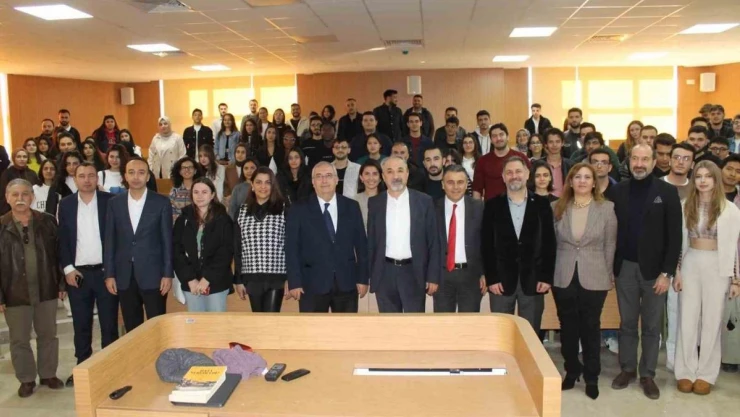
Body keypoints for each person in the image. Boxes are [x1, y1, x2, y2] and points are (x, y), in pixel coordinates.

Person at [606, 144, 682, 400]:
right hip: (625, 268)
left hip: (655, 272)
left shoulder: (667, 192)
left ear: (654, 162)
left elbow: (675, 236)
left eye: (645, 159)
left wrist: (667, 273)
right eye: (635, 159)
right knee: (627, 323)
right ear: (629, 162)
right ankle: (627, 369)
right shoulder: (617, 191)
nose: (639, 164)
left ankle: (647, 374)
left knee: (651, 326)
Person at [671, 161, 740, 396]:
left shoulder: (730, 209)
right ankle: (685, 371)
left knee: (712, 320)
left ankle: (706, 374)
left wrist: (736, 279)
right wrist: (677, 271)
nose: (702, 180)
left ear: (715, 179)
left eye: (707, 176)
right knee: (687, 318)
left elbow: (735, 247)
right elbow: (678, 242)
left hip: (718, 265)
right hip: (691, 262)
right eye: (698, 176)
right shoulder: (685, 205)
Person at [551, 162, 617, 400]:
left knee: (591, 326)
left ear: (594, 182)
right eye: (577, 177)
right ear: (570, 181)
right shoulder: (557, 207)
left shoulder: (606, 208)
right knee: (567, 326)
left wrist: (608, 274)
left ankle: (591, 376)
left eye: (587, 177)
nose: (582, 181)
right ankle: (571, 370)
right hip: (563, 274)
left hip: (595, 275)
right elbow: (551, 244)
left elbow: (610, 244)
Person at [0, 178, 66, 398]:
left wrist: (61, 282)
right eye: (15, 194)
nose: (20, 198)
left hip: (46, 288)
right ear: (7, 198)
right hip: (14, 292)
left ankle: (48, 374)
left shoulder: (47, 222)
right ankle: (26, 379)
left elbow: (59, 254)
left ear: (32, 197)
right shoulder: (1, 226)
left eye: (25, 194)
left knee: (48, 334)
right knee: (19, 339)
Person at [57, 162, 118, 387]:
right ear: (75, 179)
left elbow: (117, 238)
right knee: (81, 325)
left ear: (97, 178)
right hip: (78, 275)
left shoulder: (110, 201)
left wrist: (112, 271)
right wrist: (68, 269)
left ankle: (109, 368)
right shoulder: (66, 204)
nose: (87, 180)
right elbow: (62, 239)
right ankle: (82, 368)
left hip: (106, 274)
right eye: (81, 176)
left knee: (109, 324)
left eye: (91, 175)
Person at [482, 155, 555, 335]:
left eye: (518, 171)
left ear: (527, 174)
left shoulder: (542, 205)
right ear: (503, 177)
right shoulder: (492, 205)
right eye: (509, 172)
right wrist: (492, 278)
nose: (514, 176)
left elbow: (549, 243)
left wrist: (546, 277)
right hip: (500, 282)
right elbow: (486, 245)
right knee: (500, 334)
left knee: (530, 334)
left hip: (534, 281)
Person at [286, 162, 368, 312]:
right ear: (313, 182)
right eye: (319, 176)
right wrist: (294, 282)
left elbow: (362, 246)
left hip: (347, 283)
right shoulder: (298, 209)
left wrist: (362, 279)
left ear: (336, 180)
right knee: (312, 328)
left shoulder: (352, 207)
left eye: (328, 175)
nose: (324, 180)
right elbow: (291, 248)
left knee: (347, 327)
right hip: (311, 285)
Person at [103, 157, 174, 332]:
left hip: (154, 275)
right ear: (125, 176)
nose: (136, 177)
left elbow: (167, 240)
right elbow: (110, 240)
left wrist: (167, 274)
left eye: (141, 173)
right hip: (124, 275)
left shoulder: (161, 202)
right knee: (132, 329)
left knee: (157, 327)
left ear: (148, 177)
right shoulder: (114, 203)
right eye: (131, 172)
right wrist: (109, 274)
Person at [367, 156, 440, 312]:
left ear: (407, 174)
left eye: (400, 170)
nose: (396, 176)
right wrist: (369, 274)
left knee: (414, 324)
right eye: (390, 171)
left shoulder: (424, 201)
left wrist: (432, 276)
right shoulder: (375, 203)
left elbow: (433, 242)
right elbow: (371, 243)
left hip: (414, 272)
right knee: (389, 324)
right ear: (383, 176)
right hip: (384, 273)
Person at [173, 177, 233, 312]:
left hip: (216, 282)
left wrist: (207, 278)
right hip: (191, 283)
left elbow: (226, 252)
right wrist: (190, 279)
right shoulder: (183, 219)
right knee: (196, 322)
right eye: (196, 192)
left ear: (212, 195)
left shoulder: (223, 219)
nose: (199, 196)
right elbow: (177, 251)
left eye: (204, 192)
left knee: (215, 322)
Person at [234, 168, 288, 312]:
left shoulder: (284, 209)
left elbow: (290, 246)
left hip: (277, 277)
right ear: (252, 185)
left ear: (273, 185)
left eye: (267, 182)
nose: (263, 186)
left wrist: (291, 278)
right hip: (251, 277)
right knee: (258, 320)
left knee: (270, 320)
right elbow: (238, 248)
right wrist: (238, 280)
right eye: (258, 182)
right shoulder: (242, 211)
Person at [434, 165, 485, 313]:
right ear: (443, 184)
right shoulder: (431, 207)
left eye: (460, 182)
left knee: (469, 324)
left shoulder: (479, 207)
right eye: (450, 182)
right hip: (441, 277)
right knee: (443, 324)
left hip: (471, 276)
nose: (455, 187)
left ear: (467, 184)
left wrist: (484, 273)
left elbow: (486, 244)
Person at [472, 123, 530, 200]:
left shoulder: (521, 158)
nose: (498, 138)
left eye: (501, 134)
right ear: (491, 140)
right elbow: (477, 190)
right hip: (492, 206)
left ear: (508, 137)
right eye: (494, 136)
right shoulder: (482, 161)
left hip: (518, 205)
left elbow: (531, 184)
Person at [1, 149, 40, 215]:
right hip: (11, 210)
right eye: (19, 157)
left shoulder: (32, 173)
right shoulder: (7, 174)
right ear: (14, 158)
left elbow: (36, 191)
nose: (22, 159)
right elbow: (3, 194)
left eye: (24, 157)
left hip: (30, 208)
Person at [46, 151, 82, 217]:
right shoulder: (57, 183)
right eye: (68, 164)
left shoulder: (87, 182)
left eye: (75, 164)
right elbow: (50, 209)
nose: (71, 167)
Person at [353, 159, 384, 229]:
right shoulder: (354, 201)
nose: (371, 178)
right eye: (367, 174)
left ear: (380, 178)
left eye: (375, 174)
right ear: (361, 177)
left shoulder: (387, 199)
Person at [169, 157, 201, 222]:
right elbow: (171, 210)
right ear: (180, 172)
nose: (187, 170)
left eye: (190, 167)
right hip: (178, 223)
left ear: (195, 171)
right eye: (183, 168)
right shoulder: (175, 190)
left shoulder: (200, 189)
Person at [544, 128, 575, 197]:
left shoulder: (570, 165)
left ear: (562, 143)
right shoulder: (538, 164)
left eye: (557, 141)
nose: (554, 145)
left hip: (565, 201)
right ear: (546, 144)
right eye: (551, 142)